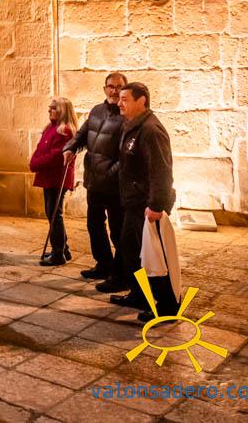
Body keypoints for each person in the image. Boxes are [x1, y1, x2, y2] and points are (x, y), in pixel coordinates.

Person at [108, 82, 179, 322]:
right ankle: (139, 294)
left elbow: (161, 171)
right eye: (120, 99)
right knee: (131, 250)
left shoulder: (151, 130)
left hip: (147, 205)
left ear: (142, 101)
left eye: (125, 99)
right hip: (133, 203)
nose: (119, 103)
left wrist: (156, 205)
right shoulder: (133, 126)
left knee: (155, 256)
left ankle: (168, 306)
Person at [63, 72, 127, 287]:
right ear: (104, 88)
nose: (114, 91)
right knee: (94, 225)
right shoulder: (96, 110)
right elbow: (81, 134)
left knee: (118, 230)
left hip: (114, 185)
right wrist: (70, 148)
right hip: (94, 181)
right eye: (111, 86)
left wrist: (111, 172)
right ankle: (103, 264)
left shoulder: (127, 115)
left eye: (119, 87)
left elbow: (126, 155)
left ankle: (121, 273)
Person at [30, 97, 78, 267]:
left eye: (53, 108)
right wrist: (34, 160)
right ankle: (63, 248)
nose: (49, 110)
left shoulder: (65, 131)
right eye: (49, 107)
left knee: (54, 213)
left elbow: (56, 155)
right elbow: (40, 148)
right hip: (48, 176)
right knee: (51, 212)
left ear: (63, 111)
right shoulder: (50, 128)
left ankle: (58, 254)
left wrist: (36, 163)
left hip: (57, 177)